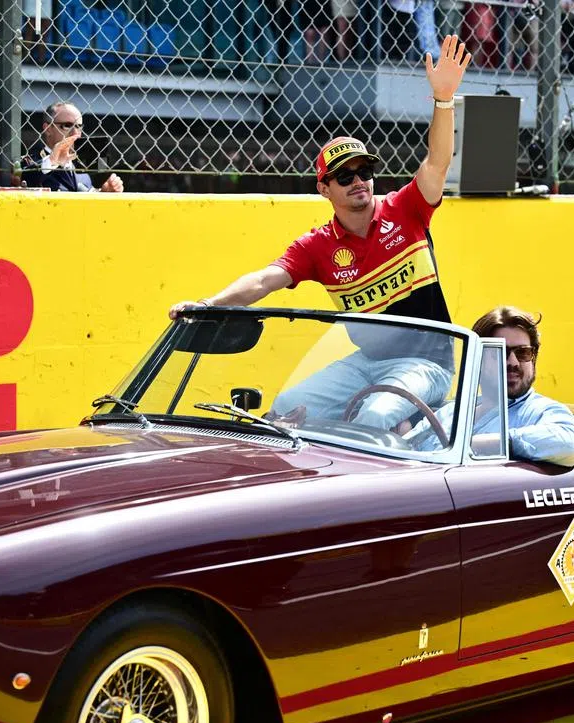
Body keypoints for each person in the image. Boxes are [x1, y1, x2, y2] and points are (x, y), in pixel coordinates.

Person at [169, 34, 471, 431]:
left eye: (364, 172)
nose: (358, 181)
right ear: (324, 189)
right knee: (286, 408)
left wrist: (444, 99)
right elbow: (263, 281)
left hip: (426, 364)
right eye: (344, 177)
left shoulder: (407, 208)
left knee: (376, 415)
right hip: (365, 364)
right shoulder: (317, 245)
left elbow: (438, 162)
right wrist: (207, 305)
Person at [408, 307, 574, 466]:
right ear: (478, 359)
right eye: (500, 352)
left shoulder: (541, 411)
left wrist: (488, 443)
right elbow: (408, 446)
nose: (513, 362)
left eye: (523, 352)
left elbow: (570, 443)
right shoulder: (453, 411)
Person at [21, 102, 124, 193]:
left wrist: (104, 192)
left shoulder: (82, 166)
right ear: (48, 129)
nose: (75, 133)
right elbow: (25, 177)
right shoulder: (33, 161)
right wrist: (52, 160)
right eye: (67, 125)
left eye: (78, 126)